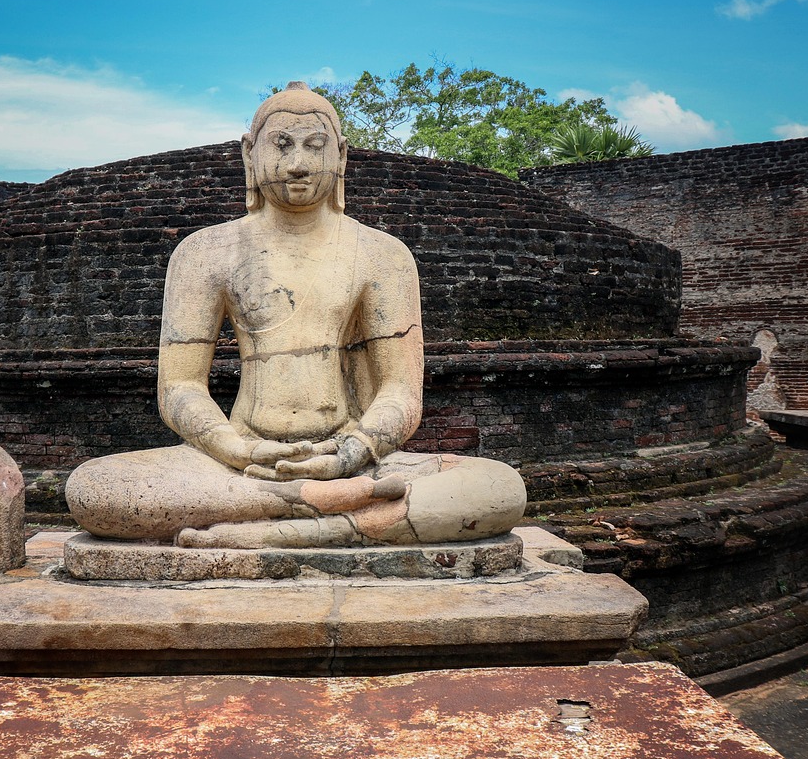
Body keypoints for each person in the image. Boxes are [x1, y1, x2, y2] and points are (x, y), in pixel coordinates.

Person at [65, 82, 526, 548]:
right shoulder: (204, 253)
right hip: (243, 460)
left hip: (353, 456)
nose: (298, 163)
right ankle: (317, 511)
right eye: (281, 145)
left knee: (500, 488)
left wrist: (351, 454)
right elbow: (180, 387)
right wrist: (237, 450)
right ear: (250, 154)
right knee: (95, 489)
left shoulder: (383, 254)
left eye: (315, 145)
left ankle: (287, 525)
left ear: (341, 156)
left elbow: (401, 392)